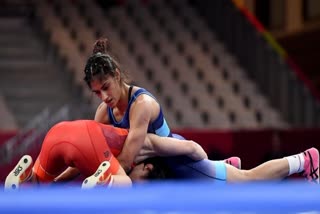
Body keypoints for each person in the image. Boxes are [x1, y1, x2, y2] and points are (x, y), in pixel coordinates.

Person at [82, 37, 240, 179]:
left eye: (106, 87)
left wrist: (97, 179)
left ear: (116, 75)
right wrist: (59, 178)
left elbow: (125, 161)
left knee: (248, 177)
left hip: (177, 159)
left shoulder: (141, 104)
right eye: (97, 93)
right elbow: (92, 151)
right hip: (152, 163)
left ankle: (217, 165)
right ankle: (219, 164)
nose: (104, 97)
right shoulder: (104, 111)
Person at [5, 120, 319, 191]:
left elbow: (191, 150)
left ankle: (305, 159)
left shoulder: (146, 147)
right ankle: (303, 160)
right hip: (193, 164)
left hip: (192, 159)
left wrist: (204, 158)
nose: (132, 177)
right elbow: (78, 160)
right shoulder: (138, 146)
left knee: (248, 179)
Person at [4, 120, 207, 190]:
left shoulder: (105, 154)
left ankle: (24, 178)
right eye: (140, 183)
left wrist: (56, 184)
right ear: (148, 167)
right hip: (87, 138)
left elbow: (77, 160)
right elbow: (190, 147)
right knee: (123, 185)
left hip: (57, 133)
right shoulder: (147, 143)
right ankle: (104, 181)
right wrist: (208, 164)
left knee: (38, 186)